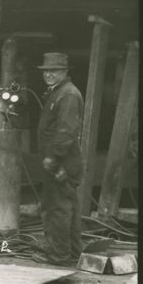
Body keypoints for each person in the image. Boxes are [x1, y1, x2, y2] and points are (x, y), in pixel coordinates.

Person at [36, 51, 85, 266]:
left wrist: (53, 158)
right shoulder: (59, 92)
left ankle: (59, 256)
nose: (48, 75)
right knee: (68, 207)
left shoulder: (68, 95)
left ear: (65, 72)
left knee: (58, 208)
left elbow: (66, 131)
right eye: (46, 71)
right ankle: (72, 252)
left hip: (62, 161)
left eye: (54, 71)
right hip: (62, 159)